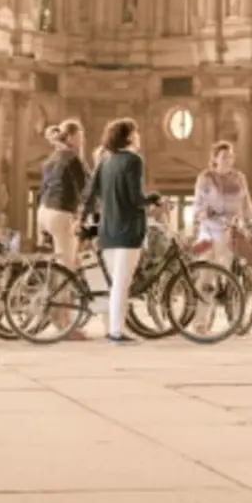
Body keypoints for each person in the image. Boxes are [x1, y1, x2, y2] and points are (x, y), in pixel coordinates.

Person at [78, 118, 159, 344]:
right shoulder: (133, 160)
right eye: (137, 132)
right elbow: (136, 199)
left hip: (107, 230)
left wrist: (82, 219)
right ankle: (116, 331)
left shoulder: (105, 161)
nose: (139, 136)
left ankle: (115, 328)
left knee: (116, 283)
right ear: (130, 136)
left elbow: (90, 192)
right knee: (121, 285)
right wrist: (154, 199)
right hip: (128, 230)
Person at [191, 141, 252, 327]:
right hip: (209, 230)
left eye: (230, 156)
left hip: (231, 230)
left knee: (229, 271)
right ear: (215, 159)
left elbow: (247, 204)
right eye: (224, 157)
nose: (229, 160)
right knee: (206, 276)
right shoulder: (206, 177)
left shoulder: (239, 178)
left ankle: (234, 308)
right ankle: (201, 320)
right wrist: (202, 212)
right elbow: (197, 204)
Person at [37, 120, 90, 340]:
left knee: (61, 265)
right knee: (67, 270)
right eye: (78, 137)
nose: (81, 141)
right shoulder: (72, 158)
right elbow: (86, 190)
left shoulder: (51, 159)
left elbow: (43, 189)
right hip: (61, 213)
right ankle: (65, 324)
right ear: (69, 138)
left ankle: (59, 316)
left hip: (44, 212)